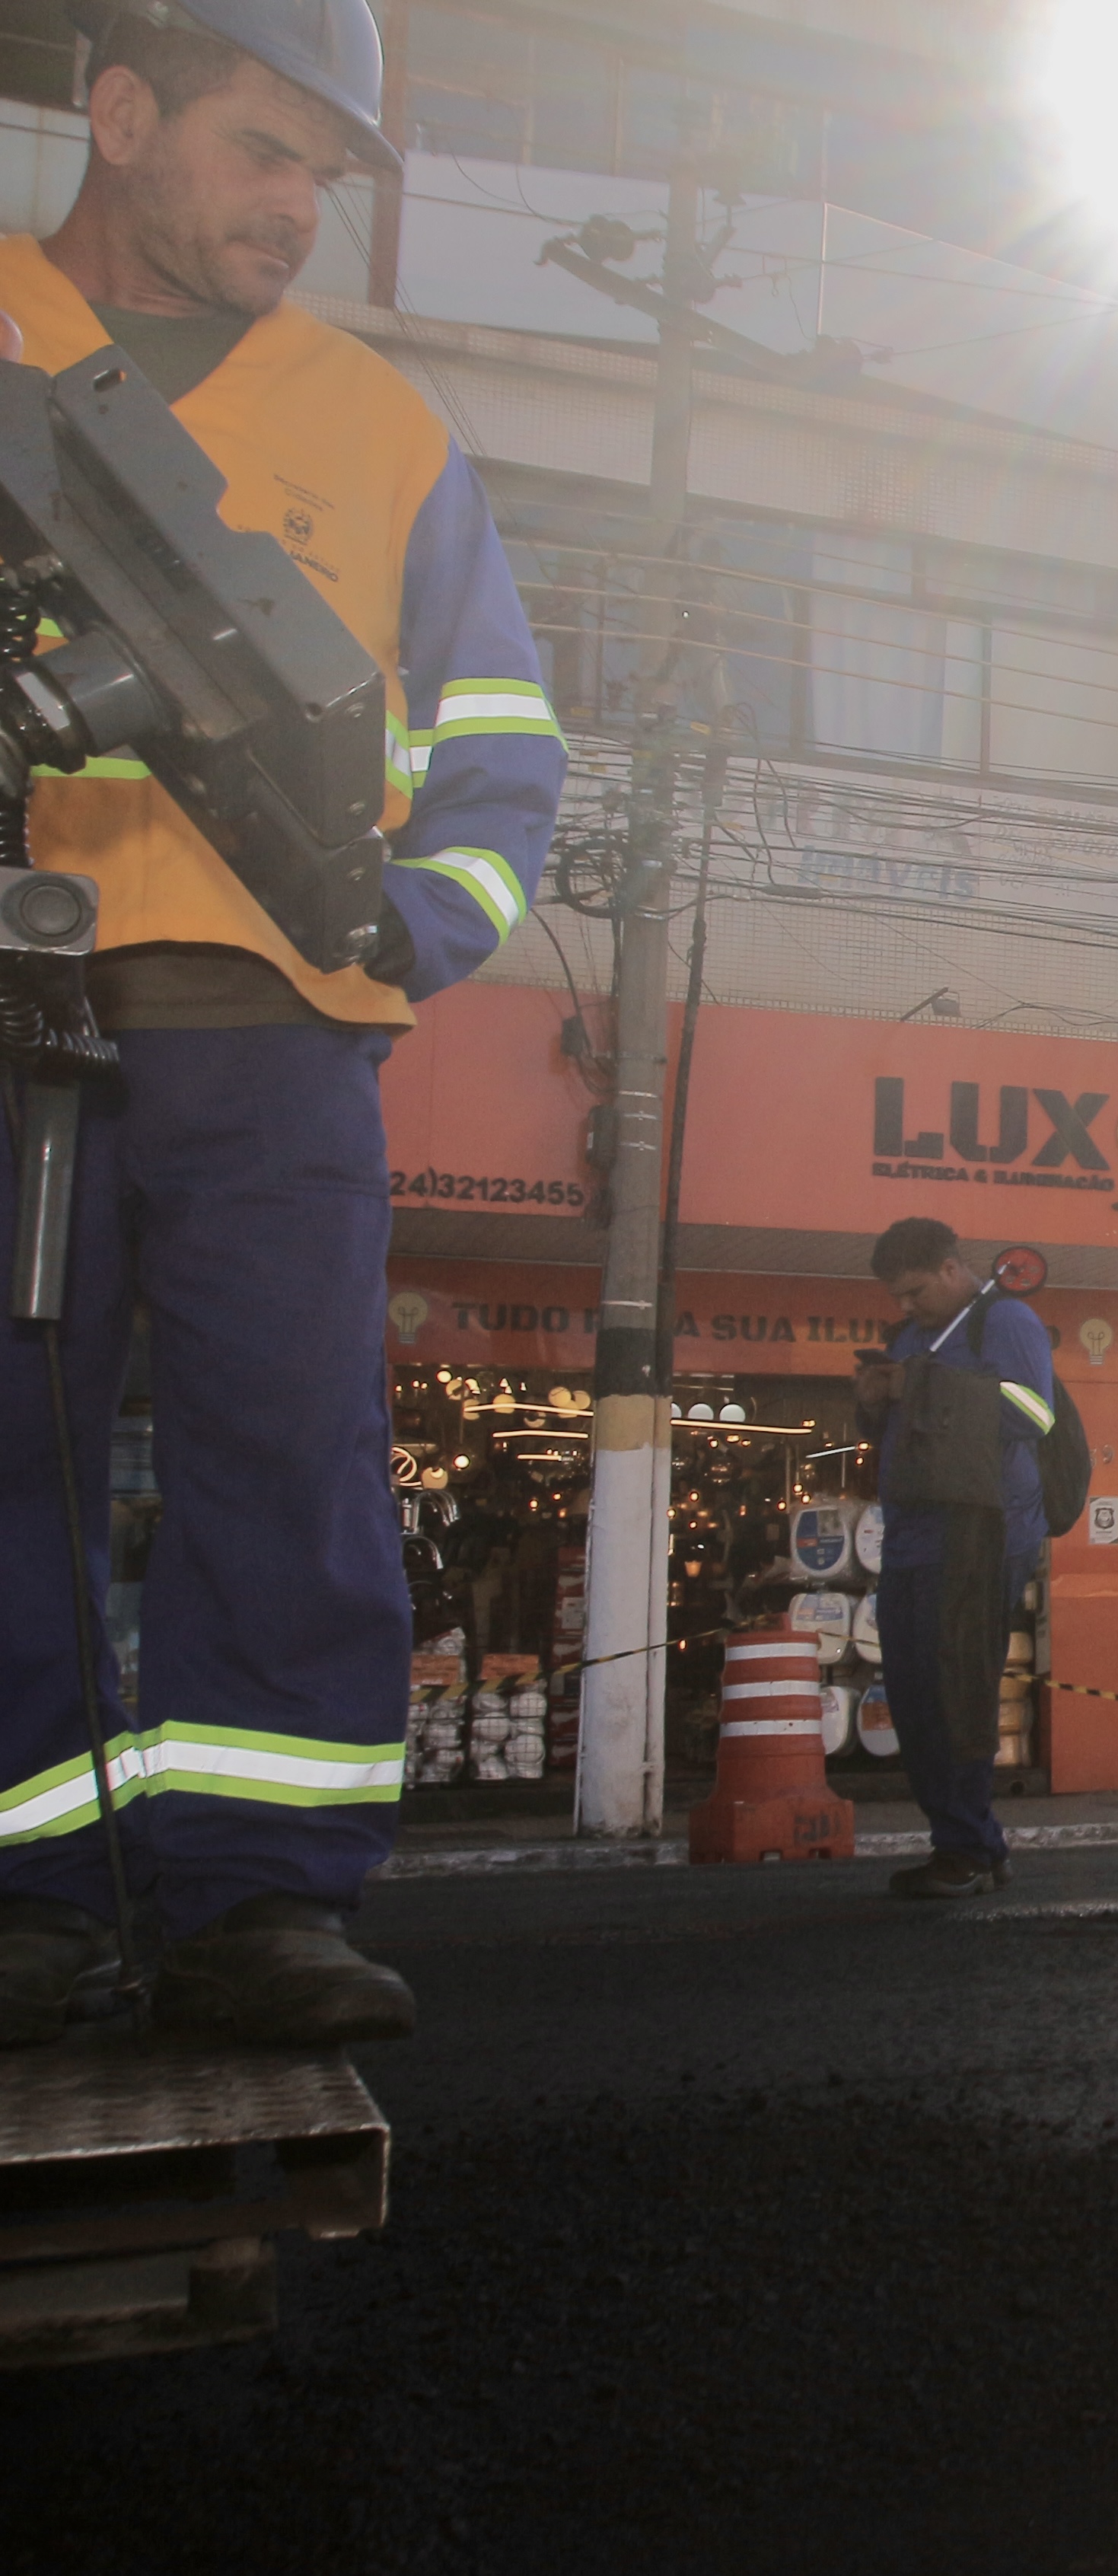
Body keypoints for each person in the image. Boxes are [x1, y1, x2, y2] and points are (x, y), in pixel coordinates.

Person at [0, 0, 560, 2048]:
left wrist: (417, 924)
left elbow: (504, 743)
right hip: (9, 1014)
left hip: (273, 1041)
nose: (295, 208)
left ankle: (261, 1905)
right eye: (262, 152)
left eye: (322, 177)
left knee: (289, 1460)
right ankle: (23, 1907)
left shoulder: (380, 425)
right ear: (123, 114)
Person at [855, 1219, 1054, 1899]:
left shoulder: (1007, 1321)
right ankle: (968, 1843)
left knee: (957, 1693)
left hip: (979, 1537)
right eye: (896, 1298)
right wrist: (875, 1395)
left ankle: (966, 1847)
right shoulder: (911, 1336)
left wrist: (918, 1388)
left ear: (949, 1269)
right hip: (911, 1536)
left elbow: (1034, 1413)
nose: (904, 1309)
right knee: (913, 1697)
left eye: (913, 1292)